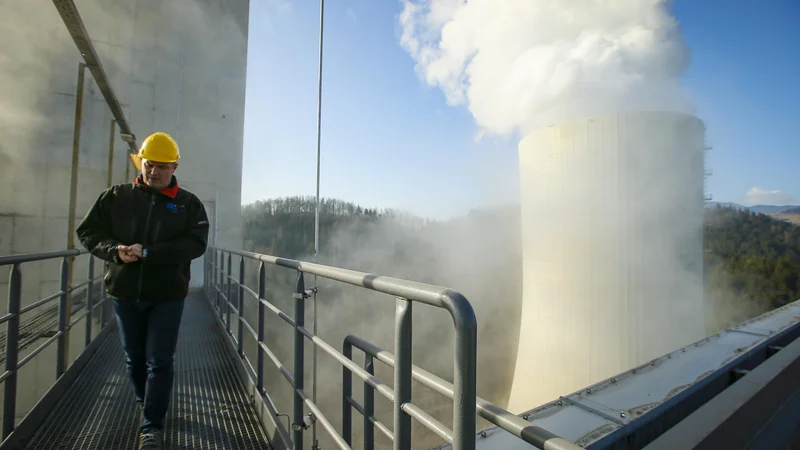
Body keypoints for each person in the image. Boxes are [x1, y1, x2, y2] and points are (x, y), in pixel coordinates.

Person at [76, 131, 209, 450]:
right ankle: (145, 403)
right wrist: (113, 250)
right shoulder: (116, 196)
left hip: (167, 296)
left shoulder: (188, 204)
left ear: (174, 167)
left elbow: (196, 244)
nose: (154, 171)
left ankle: (151, 426)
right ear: (141, 164)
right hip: (124, 292)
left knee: (159, 361)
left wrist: (150, 252)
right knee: (134, 359)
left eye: (162, 166)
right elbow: (88, 231)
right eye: (149, 165)